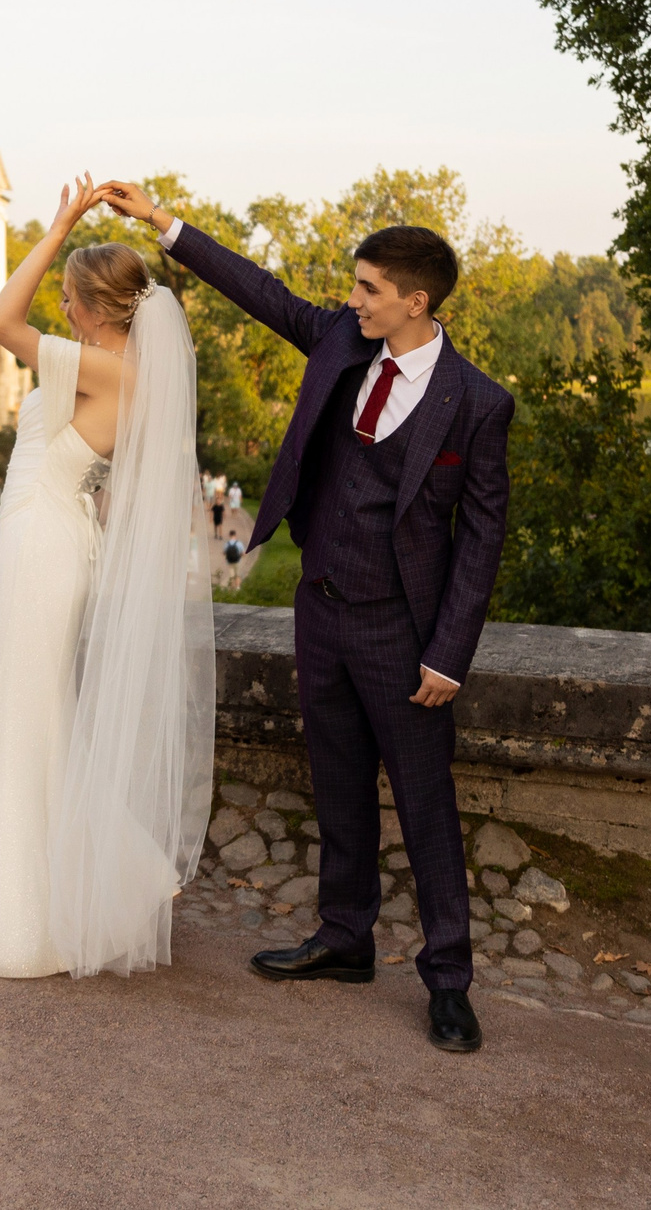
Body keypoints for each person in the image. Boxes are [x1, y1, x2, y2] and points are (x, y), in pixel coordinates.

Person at [102, 179, 511, 1054]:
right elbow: (258, 289)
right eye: (354, 287)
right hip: (319, 606)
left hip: (405, 633)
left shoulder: (476, 402)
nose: (351, 299)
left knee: (428, 806)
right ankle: (344, 936)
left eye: (368, 289)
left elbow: (481, 536)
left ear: (416, 301)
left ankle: (449, 981)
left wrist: (450, 654)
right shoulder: (337, 337)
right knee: (336, 784)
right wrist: (162, 222)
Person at [0, 173, 213, 980]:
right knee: (37, 714)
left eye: (66, 299)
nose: (58, 311)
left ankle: (39, 915)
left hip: (46, 554)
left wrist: (62, 220)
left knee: (26, 721)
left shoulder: (107, 367)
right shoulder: (126, 372)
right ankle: (106, 878)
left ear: (93, 307)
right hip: (41, 542)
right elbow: (73, 475)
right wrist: (19, 519)